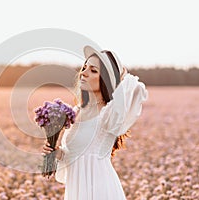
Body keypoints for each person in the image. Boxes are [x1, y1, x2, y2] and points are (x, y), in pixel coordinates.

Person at [42, 45, 149, 199]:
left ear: (106, 79)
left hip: (100, 189)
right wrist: (57, 153)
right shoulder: (76, 111)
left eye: (93, 70)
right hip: (77, 188)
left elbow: (135, 88)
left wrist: (120, 76)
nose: (83, 73)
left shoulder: (110, 113)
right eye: (84, 67)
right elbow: (74, 155)